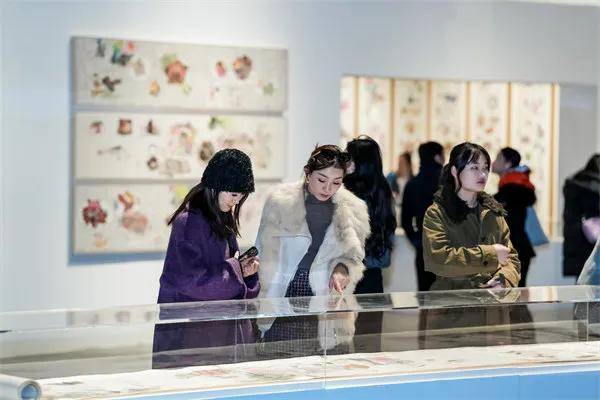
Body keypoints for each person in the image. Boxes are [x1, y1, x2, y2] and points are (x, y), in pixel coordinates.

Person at [255, 144, 370, 356]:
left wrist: (342, 269)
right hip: (284, 293)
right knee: (281, 362)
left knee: (323, 365)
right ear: (308, 173)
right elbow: (262, 250)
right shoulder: (280, 201)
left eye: (336, 182)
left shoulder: (353, 209)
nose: (328, 188)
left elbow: (354, 257)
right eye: (321, 180)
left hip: (327, 297)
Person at [152, 148, 260, 368]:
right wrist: (237, 270)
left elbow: (226, 278)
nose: (236, 202)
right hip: (191, 338)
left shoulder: (221, 220)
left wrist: (246, 273)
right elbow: (190, 282)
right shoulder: (189, 223)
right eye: (233, 194)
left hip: (214, 336)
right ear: (215, 186)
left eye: (241, 196)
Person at [423, 142, 521, 290]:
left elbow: (511, 258)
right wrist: (490, 254)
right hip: (452, 298)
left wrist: (503, 280)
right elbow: (439, 260)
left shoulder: (493, 212)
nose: (482, 174)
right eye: (474, 168)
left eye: (485, 168)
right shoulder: (437, 213)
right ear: (455, 171)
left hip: (491, 300)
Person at [344, 136, 397, 353]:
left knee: (339, 341)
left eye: (349, 157)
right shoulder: (383, 191)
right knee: (370, 342)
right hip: (373, 273)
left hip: (345, 273)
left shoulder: (345, 192)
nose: (345, 162)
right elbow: (386, 247)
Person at [401, 141, 444, 291]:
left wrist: (417, 242)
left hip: (424, 248)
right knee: (448, 296)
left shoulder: (412, 184)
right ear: (438, 157)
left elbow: (405, 221)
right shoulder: (448, 183)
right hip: (448, 247)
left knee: (425, 294)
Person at [492, 147, 536, 287]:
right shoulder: (517, 185)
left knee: (513, 292)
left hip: (514, 249)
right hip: (518, 248)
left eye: (498, 158)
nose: (493, 162)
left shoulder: (511, 189)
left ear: (508, 164)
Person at [563, 154, 600, 278]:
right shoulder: (593, 188)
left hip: (577, 240)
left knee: (582, 279)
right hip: (591, 240)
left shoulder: (574, 184)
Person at [387, 152, 414, 226]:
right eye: (399, 162)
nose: (400, 164)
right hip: (396, 207)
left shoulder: (413, 179)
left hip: (408, 209)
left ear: (408, 163)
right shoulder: (393, 177)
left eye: (402, 162)